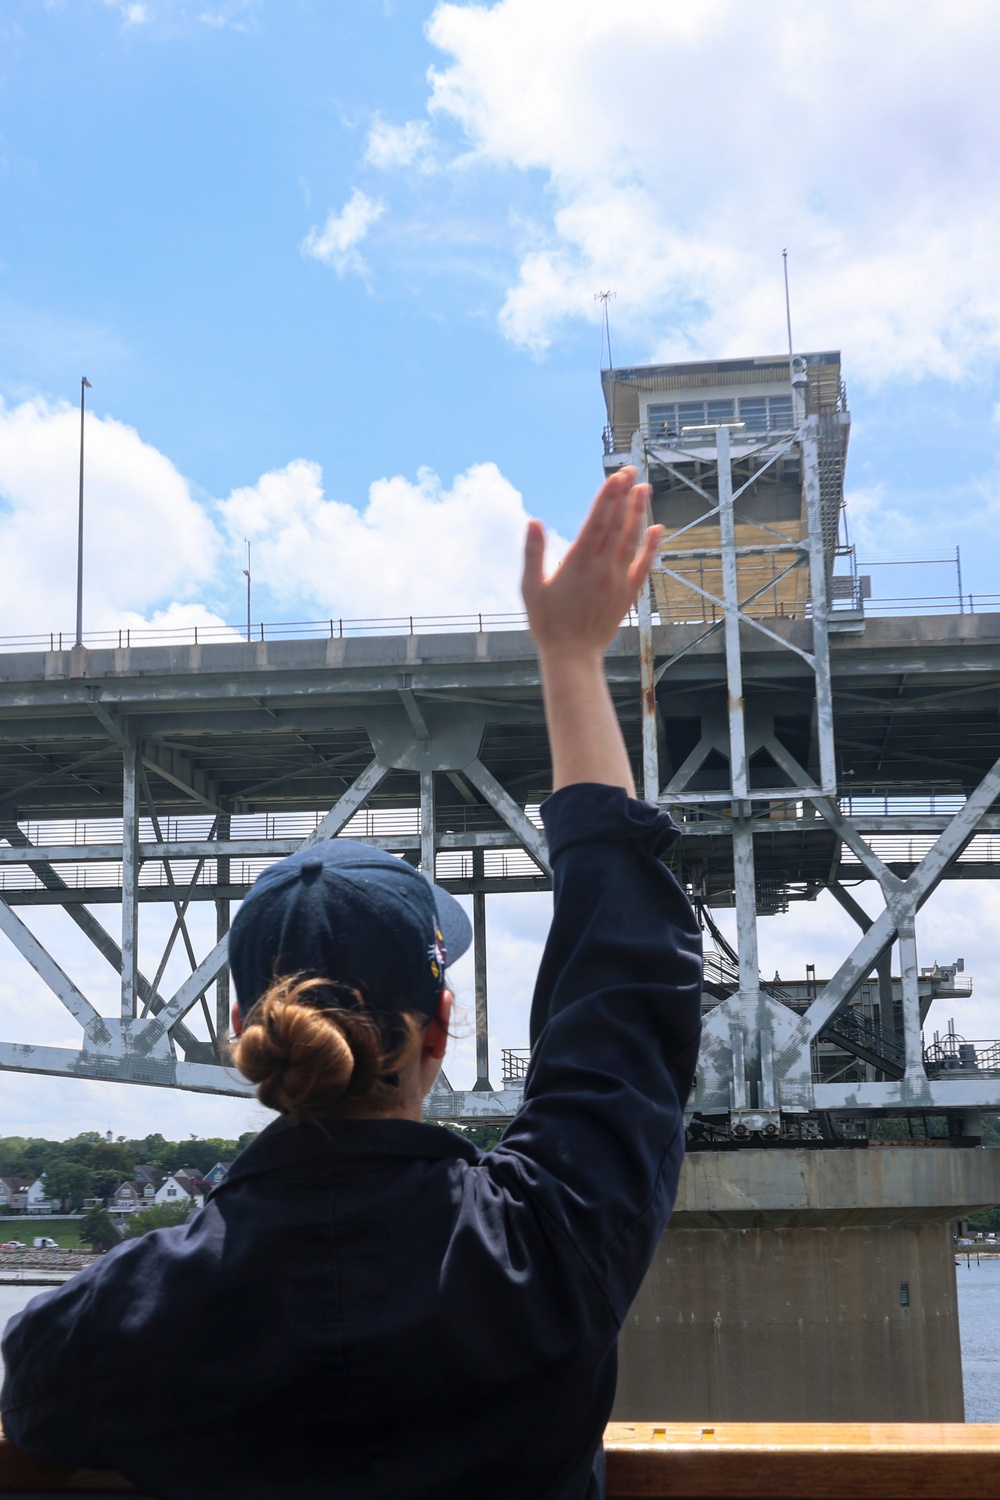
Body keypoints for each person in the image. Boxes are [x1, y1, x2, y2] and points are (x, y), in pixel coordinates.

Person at [0, 467, 702, 1499]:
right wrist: (570, 657)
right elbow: (624, 985)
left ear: (243, 1028)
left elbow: (34, 1388)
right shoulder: (550, 1246)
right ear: (440, 1025)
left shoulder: (121, 1319)